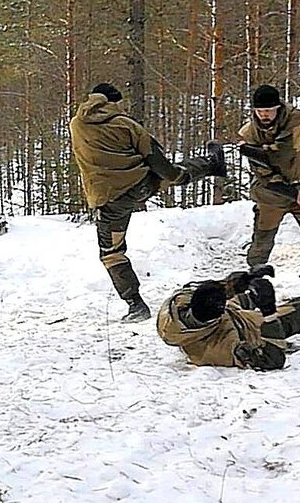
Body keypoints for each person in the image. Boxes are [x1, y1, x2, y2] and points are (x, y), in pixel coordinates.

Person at [70, 82, 225, 323]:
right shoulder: (126, 125)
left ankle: (135, 305)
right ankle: (212, 163)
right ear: (112, 102)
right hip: (139, 185)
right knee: (176, 174)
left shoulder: (76, 124)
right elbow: (158, 162)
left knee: (112, 253)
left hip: (109, 201)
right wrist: (178, 177)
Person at [238, 84, 300, 307]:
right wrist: (292, 193)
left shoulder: (297, 122)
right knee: (262, 240)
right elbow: (262, 173)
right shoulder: (250, 132)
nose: (264, 116)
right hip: (272, 192)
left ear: (279, 108)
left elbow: (283, 154)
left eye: (269, 111)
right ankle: (254, 286)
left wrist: (252, 150)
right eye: (259, 112)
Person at [156, 266, 300, 370]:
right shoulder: (215, 350)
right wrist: (269, 313)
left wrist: (241, 282)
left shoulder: (179, 303)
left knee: (255, 291)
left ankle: (252, 296)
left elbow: (206, 290)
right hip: (250, 328)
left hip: (232, 311)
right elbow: (271, 360)